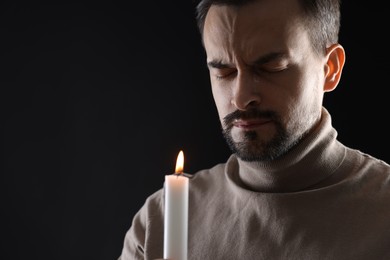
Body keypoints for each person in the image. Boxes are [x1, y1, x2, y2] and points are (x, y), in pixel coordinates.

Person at [118, 0, 390, 259]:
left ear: (330, 69)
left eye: (270, 67)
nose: (240, 97)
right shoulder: (162, 220)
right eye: (223, 71)